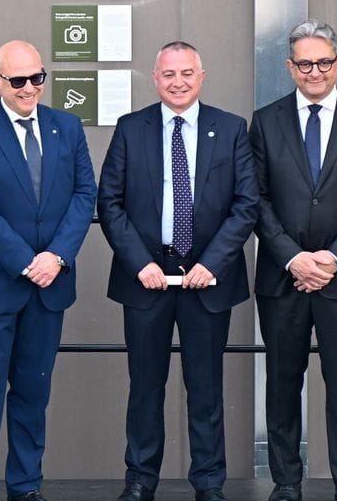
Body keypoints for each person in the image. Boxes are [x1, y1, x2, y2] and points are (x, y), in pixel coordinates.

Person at [97, 41, 259, 501]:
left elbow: (246, 205)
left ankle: (209, 483)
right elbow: (109, 202)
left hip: (208, 279)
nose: (178, 82)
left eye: (187, 72)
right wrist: (139, 262)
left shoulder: (230, 129)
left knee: (206, 388)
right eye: (169, 74)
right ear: (155, 79)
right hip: (145, 277)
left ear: (202, 76)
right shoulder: (131, 128)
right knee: (145, 387)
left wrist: (212, 263)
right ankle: (140, 479)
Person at [0, 40, 97, 501]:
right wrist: (27, 262)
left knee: (33, 397)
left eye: (37, 78)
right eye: (18, 80)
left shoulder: (66, 127)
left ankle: (26, 487)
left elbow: (83, 195)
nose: (30, 88)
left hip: (49, 286)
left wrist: (57, 256)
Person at [250, 19, 337, 501]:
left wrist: (330, 259)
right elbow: (256, 199)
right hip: (282, 277)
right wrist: (293, 258)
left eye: (323, 62)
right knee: (282, 382)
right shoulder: (265, 121)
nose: (315, 71)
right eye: (305, 63)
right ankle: (286, 481)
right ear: (290, 67)